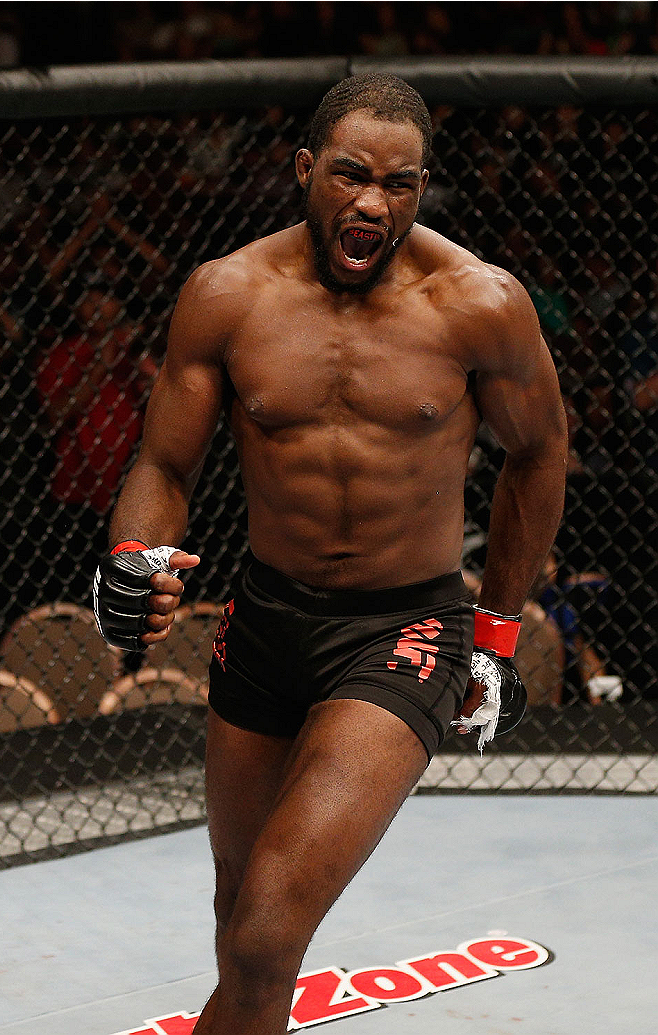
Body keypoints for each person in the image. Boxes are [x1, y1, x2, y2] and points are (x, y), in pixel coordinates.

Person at [93, 74, 568, 1035]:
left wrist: (498, 629)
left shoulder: (478, 304)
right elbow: (163, 461)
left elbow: (540, 449)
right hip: (265, 618)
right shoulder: (227, 295)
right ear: (306, 170)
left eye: (398, 184)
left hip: (404, 628)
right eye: (351, 175)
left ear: (421, 188)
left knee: (269, 936)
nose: (371, 203)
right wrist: (133, 557)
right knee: (238, 918)